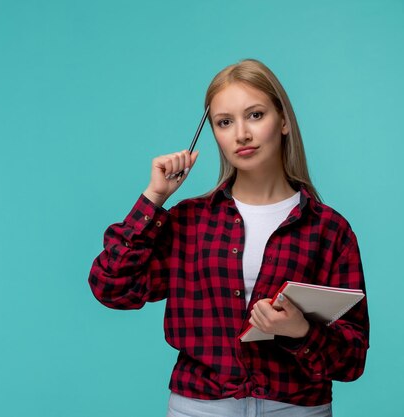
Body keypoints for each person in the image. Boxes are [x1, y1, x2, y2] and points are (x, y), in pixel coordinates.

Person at [88, 59, 369, 417]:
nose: (241, 135)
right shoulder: (189, 221)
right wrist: (153, 199)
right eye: (225, 122)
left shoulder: (329, 229)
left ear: (283, 121)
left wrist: (300, 331)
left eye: (255, 115)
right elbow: (111, 288)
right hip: (200, 407)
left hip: (297, 408)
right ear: (214, 133)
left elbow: (353, 359)